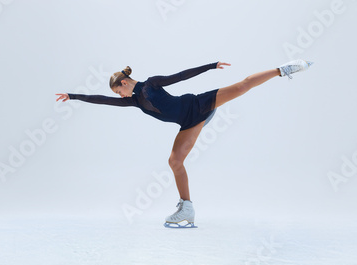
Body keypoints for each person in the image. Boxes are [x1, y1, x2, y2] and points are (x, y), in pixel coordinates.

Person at [55, 59, 313, 228]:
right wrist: (74, 96)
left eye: (118, 91)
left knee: (242, 86)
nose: (119, 96)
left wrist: (210, 66)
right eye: (119, 95)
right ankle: (186, 208)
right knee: (174, 161)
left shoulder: (150, 84)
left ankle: (285, 69)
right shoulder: (133, 101)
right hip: (188, 123)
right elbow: (102, 100)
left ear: (123, 83)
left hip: (198, 104)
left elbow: (179, 76)